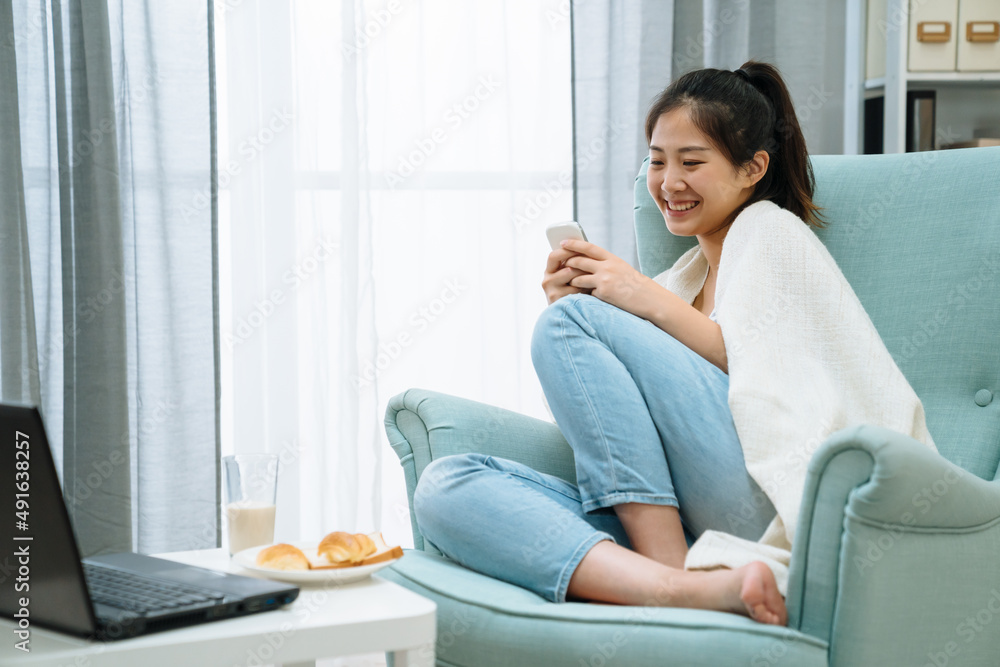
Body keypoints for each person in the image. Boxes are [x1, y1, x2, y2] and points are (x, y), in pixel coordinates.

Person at [411, 61, 834, 626]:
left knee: (571, 322)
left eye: (692, 161)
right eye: (657, 161)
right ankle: (682, 586)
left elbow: (770, 372)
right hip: (685, 517)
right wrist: (577, 313)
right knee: (446, 485)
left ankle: (670, 579)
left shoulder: (770, 231)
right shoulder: (681, 282)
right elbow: (612, 446)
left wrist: (625, 299)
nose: (668, 182)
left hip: (766, 498)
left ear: (753, 167)